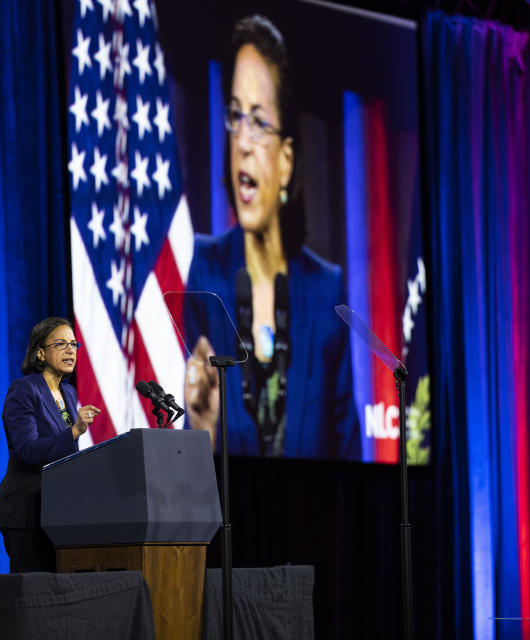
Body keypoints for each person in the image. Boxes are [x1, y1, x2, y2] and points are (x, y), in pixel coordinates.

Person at [183, 15, 360, 460]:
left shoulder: (326, 291)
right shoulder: (204, 271)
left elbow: (346, 452)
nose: (241, 140)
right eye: (235, 116)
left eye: (259, 122)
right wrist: (200, 427)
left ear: (286, 161)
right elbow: (184, 465)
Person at [0, 317, 100, 572]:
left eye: (73, 344)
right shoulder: (24, 390)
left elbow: (64, 453)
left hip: (57, 509)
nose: (71, 350)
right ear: (40, 353)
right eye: (61, 344)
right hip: (26, 509)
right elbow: (26, 450)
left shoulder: (69, 392)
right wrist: (74, 432)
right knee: (34, 592)